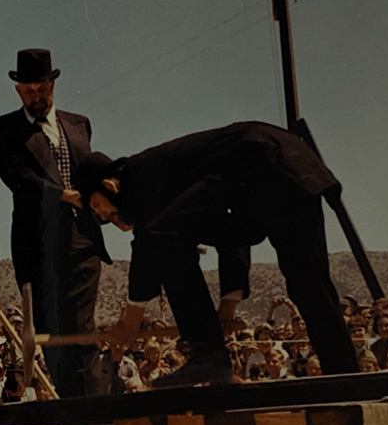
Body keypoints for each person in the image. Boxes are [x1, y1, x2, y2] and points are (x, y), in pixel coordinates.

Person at [76, 120, 360, 386]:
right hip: (288, 165)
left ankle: (207, 354)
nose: (103, 216)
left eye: (97, 206)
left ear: (109, 184)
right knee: (308, 284)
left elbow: (148, 241)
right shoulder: (200, 183)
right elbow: (228, 233)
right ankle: (346, 377)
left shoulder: (140, 175)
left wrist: (131, 318)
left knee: (160, 236)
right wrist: (228, 303)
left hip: (263, 159)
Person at [0, 47, 111, 397]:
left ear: (52, 86)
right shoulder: (4, 129)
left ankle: (94, 411)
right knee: (51, 330)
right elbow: (16, 176)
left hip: (83, 238)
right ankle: (72, 408)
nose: (36, 97)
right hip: (38, 244)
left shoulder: (79, 124)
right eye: (28, 92)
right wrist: (60, 195)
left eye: (42, 90)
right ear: (17, 90)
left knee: (83, 326)